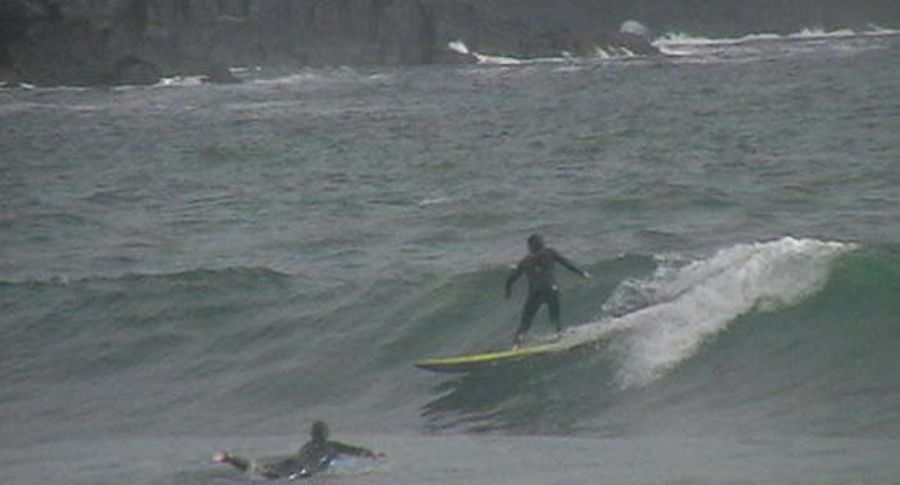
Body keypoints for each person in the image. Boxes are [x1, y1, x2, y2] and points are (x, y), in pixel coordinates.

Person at [213, 420, 384, 480]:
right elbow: (355, 450)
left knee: (263, 471)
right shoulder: (333, 445)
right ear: (327, 434)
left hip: (290, 463)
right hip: (302, 470)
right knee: (270, 476)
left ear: (312, 434)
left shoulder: (307, 445)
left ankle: (228, 458)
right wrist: (374, 454)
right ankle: (228, 459)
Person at [505, 234, 590, 347]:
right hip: (551, 289)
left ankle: (516, 344)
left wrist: (508, 290)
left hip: (535, 293)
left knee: (526, 321)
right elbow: (566, 263)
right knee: (555, 316)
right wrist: (582, 273)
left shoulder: (526, 260)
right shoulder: (550, 253)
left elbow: (513, 277)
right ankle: (559, 335)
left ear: (531, 246)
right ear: (542, 244)